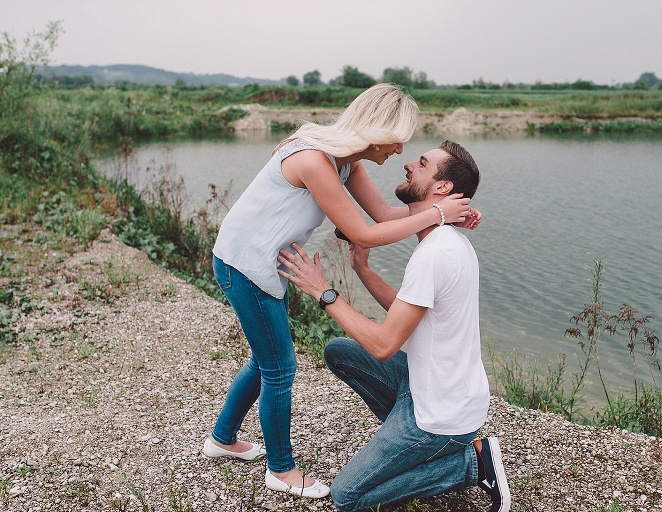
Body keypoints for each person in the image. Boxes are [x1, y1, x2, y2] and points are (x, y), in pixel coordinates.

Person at [202, 83, 481, 499]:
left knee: (267, 360)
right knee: (280, 367)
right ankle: (281, 469)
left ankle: (222, 439)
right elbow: (363, 233)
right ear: (376, 129)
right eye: (398, 137)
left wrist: (445, 216)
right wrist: (440, 210)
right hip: (244, 266)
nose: (400, 150)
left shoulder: (346, 162)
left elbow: (384, 215)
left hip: (261, 265)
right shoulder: (314, 158)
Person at [278, 140, 510, 512]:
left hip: (440, 415)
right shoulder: (445, 240)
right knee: (339, 352)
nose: (408, 165)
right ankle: (412, 447)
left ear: (443, 188)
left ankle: (471, 463)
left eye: (421, 163)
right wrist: (363, 270)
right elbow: (410, 313)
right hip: (437, 390)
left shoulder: (435, 254)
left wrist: (324, 293)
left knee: (347, 496)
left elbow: (385, 344)